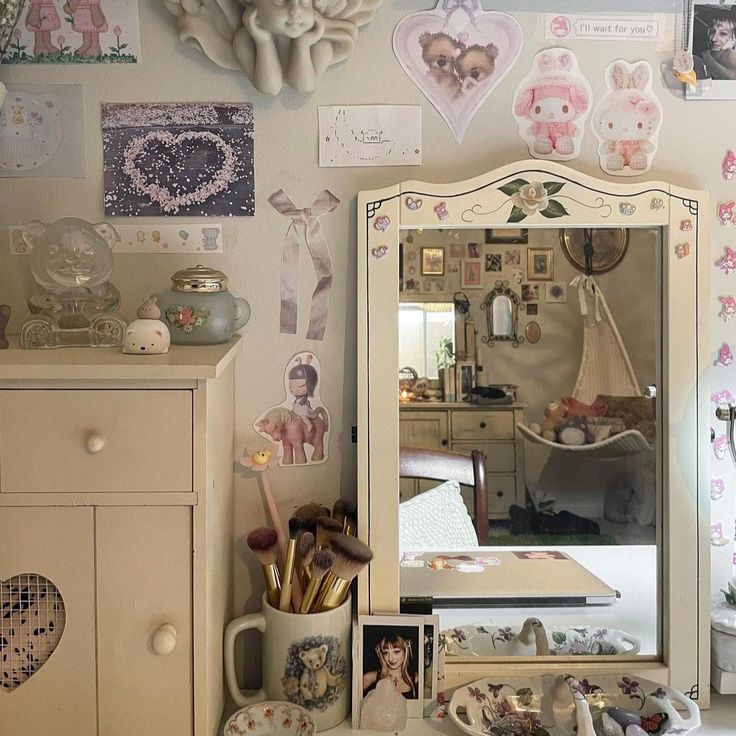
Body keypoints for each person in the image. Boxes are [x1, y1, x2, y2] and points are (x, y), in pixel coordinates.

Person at [363, 633, 418, 699]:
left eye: (396, 652)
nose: (390, 658)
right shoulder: (370, 678)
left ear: (406, 651)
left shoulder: (416, 678)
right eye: (386, 653)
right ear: (380, 654)